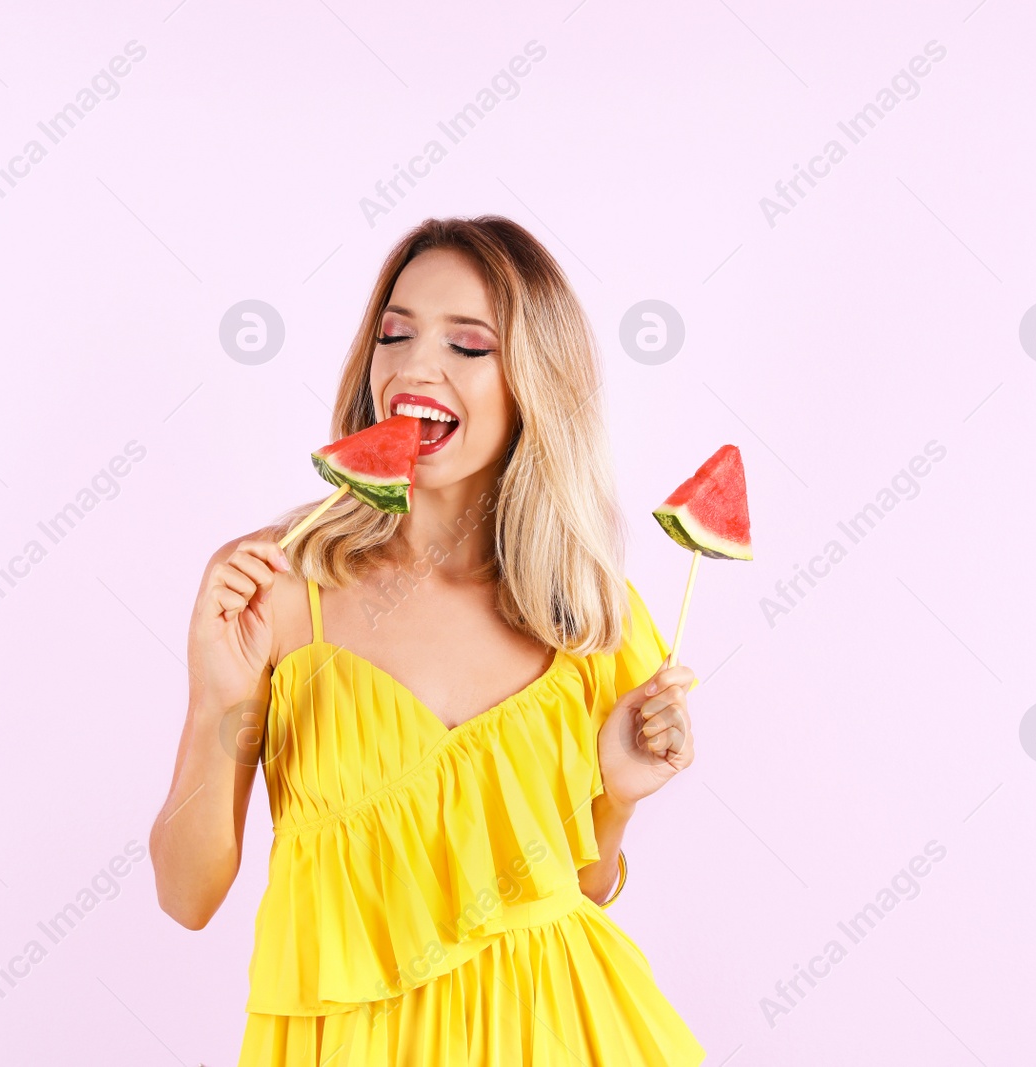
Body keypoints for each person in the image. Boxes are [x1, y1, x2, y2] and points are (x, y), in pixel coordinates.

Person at [150, 215, 705, 1065]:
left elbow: (577, 893)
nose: (414, 367)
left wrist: (619, 793)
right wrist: (216, 700)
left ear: (535, 385)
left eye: (468, 346)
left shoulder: (587, 613)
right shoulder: (276, 591)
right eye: (394, 334)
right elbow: (186, 897)